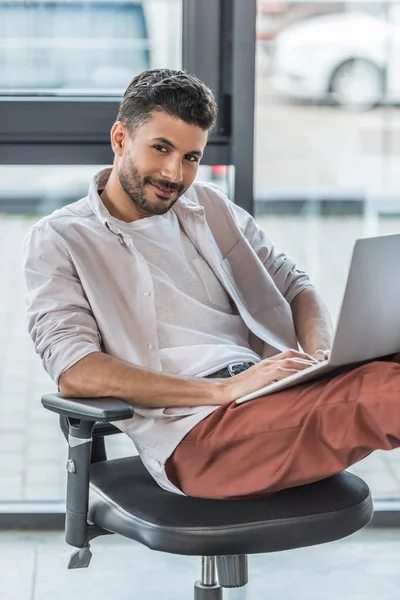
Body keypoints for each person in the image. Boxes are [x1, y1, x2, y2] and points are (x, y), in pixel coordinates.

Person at [21, 69, 400, 500]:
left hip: (275, 393)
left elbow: (295, 285)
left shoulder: (210, 206)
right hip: (198, 435)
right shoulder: (60, 238)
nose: (174, 173)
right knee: (390, 393)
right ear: (121, 138)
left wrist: (319, 358)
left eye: (191, 158)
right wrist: (223, 389)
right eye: (161, 148)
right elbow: (76, 372)